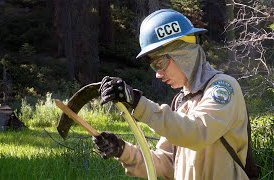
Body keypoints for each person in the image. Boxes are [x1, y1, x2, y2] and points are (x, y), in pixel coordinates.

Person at [93, 9, 249, 180]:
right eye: (154, 65)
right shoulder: (181, 102)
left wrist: (137, 103)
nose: (158, 74)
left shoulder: (223, 87)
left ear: (184, 54)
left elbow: (197, 132)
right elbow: (165, 164)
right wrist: (122, 150)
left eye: (160, 63)